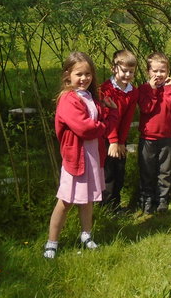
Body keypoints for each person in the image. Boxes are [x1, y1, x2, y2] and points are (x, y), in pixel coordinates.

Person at [43, 52, 118, 259]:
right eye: (79, 74)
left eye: (88, 74)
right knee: (66, 200)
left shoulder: (89, 97)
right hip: (76, 158)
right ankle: (52, 241)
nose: (84, 78)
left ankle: (86, 234)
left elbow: (101, 119)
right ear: (68, 75)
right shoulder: (68, 99)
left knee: (87, 200)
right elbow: (86, 129)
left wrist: (110, 113)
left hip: (92, 156)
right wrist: (105, 124)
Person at [137, 52, 171, 214]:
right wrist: (153, 90)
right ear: (148, 71)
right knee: (147, 170)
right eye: (155, 71)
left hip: (166, 137)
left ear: (167, 72)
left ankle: (162, 199)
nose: (158, 75)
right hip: (147, 137)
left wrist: (168, 89)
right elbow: (146, 108)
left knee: (164, 171)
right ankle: (146, 200)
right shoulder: (144, 89)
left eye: (162, 71)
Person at [100, 49, 138, 212]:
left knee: (119, 172)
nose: (127, 75)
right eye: (124, 70)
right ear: (113, 68)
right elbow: (107, 116)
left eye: (131, 71)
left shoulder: (132, 92)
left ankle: (116, 205)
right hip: (106, 138)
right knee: (107, 173)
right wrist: (114, 141)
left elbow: (127, 119)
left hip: (120, 139)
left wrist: (122, 142)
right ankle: (104, 208)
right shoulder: (106, 89)